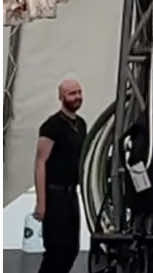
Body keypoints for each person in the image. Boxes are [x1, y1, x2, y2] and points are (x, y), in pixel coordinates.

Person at [34, 78, 87, 273]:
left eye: (79, 92)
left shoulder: (81, 125)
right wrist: (42, 202)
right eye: (72, 93)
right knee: (55, 251)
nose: (77, 97)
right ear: (61, 96)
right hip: (54, 195)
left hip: (71, 195)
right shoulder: (51, 126)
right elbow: (40, 162)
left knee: (71, 249)